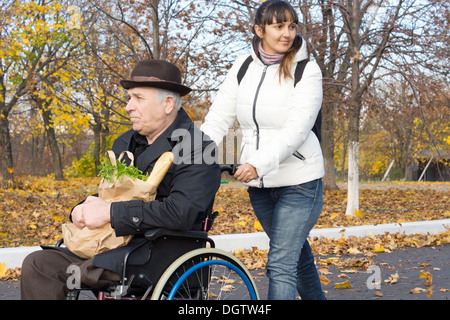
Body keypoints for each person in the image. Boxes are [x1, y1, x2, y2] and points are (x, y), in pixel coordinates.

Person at [21, 59, 221, 300]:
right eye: (128, 98)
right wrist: (82, 209)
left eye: (138, 98)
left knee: (86, 270)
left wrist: (111, 213)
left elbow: (181, 211)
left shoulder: (197, 148)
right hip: (108, 243)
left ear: (168, 104)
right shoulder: (125, 143)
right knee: (39, 264)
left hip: (160, 252)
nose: (128, 107)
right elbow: (110, 194)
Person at [200, 0, 325, 300]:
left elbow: (296, 130)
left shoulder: (307, 70)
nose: (287, 33)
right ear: (259, 29)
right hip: (260, 187)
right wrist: (191, 156)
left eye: (292, 26)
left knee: (281, 264)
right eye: (278, 26)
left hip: (300, 184)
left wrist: (256, 163)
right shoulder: (243, 67)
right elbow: (218, 118)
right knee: (298, 257)